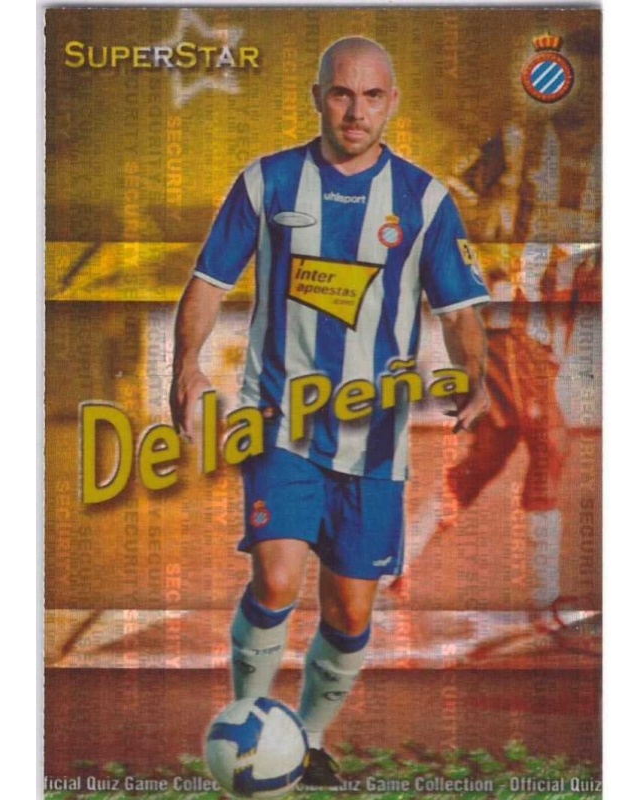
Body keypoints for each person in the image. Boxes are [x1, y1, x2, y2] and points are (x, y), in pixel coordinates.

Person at [170, 36, 490, 786]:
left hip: (374, 442)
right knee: (277, 580)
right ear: (318, 96)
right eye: (342, 93)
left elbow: (460, 311)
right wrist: (183, 364)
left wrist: (477, 375)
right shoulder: (268, 182)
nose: (355, 111)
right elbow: (209, 282)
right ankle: (247, 731)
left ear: (392, 103)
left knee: (348, 615)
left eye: (372, 96)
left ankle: (306, 741)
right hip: (279, 423)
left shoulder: (423, 200)